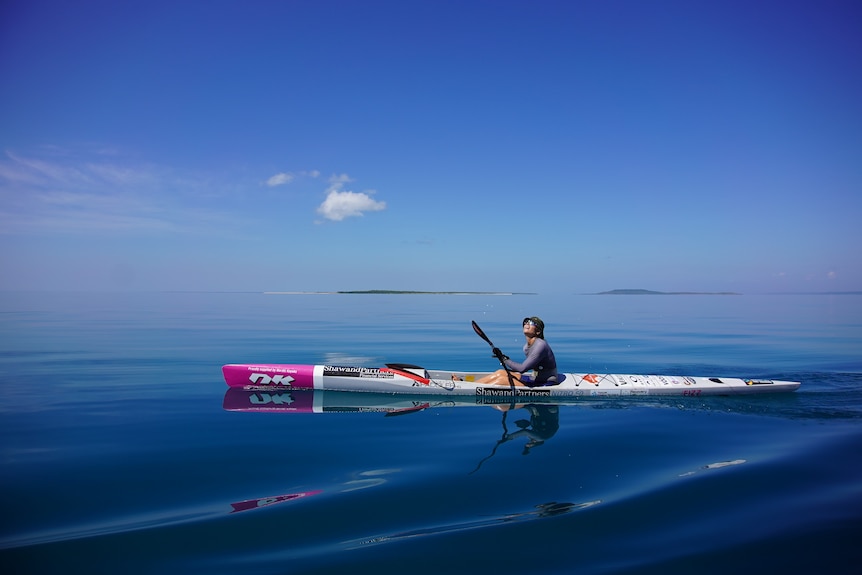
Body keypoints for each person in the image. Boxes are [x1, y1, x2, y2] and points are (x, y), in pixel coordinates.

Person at [475, 316, 558, 387]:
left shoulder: (540, 345)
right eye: (526, 322)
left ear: (538, 331)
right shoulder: (526, 347)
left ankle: (470, 387)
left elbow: (522, 369)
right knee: (500, 372)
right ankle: (471, 384)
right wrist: (502, 357)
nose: (527, 324)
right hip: (534, 379)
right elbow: (528, 367)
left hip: (546, 383)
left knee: (502, 380)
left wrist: (504, 359)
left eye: (532, 323)